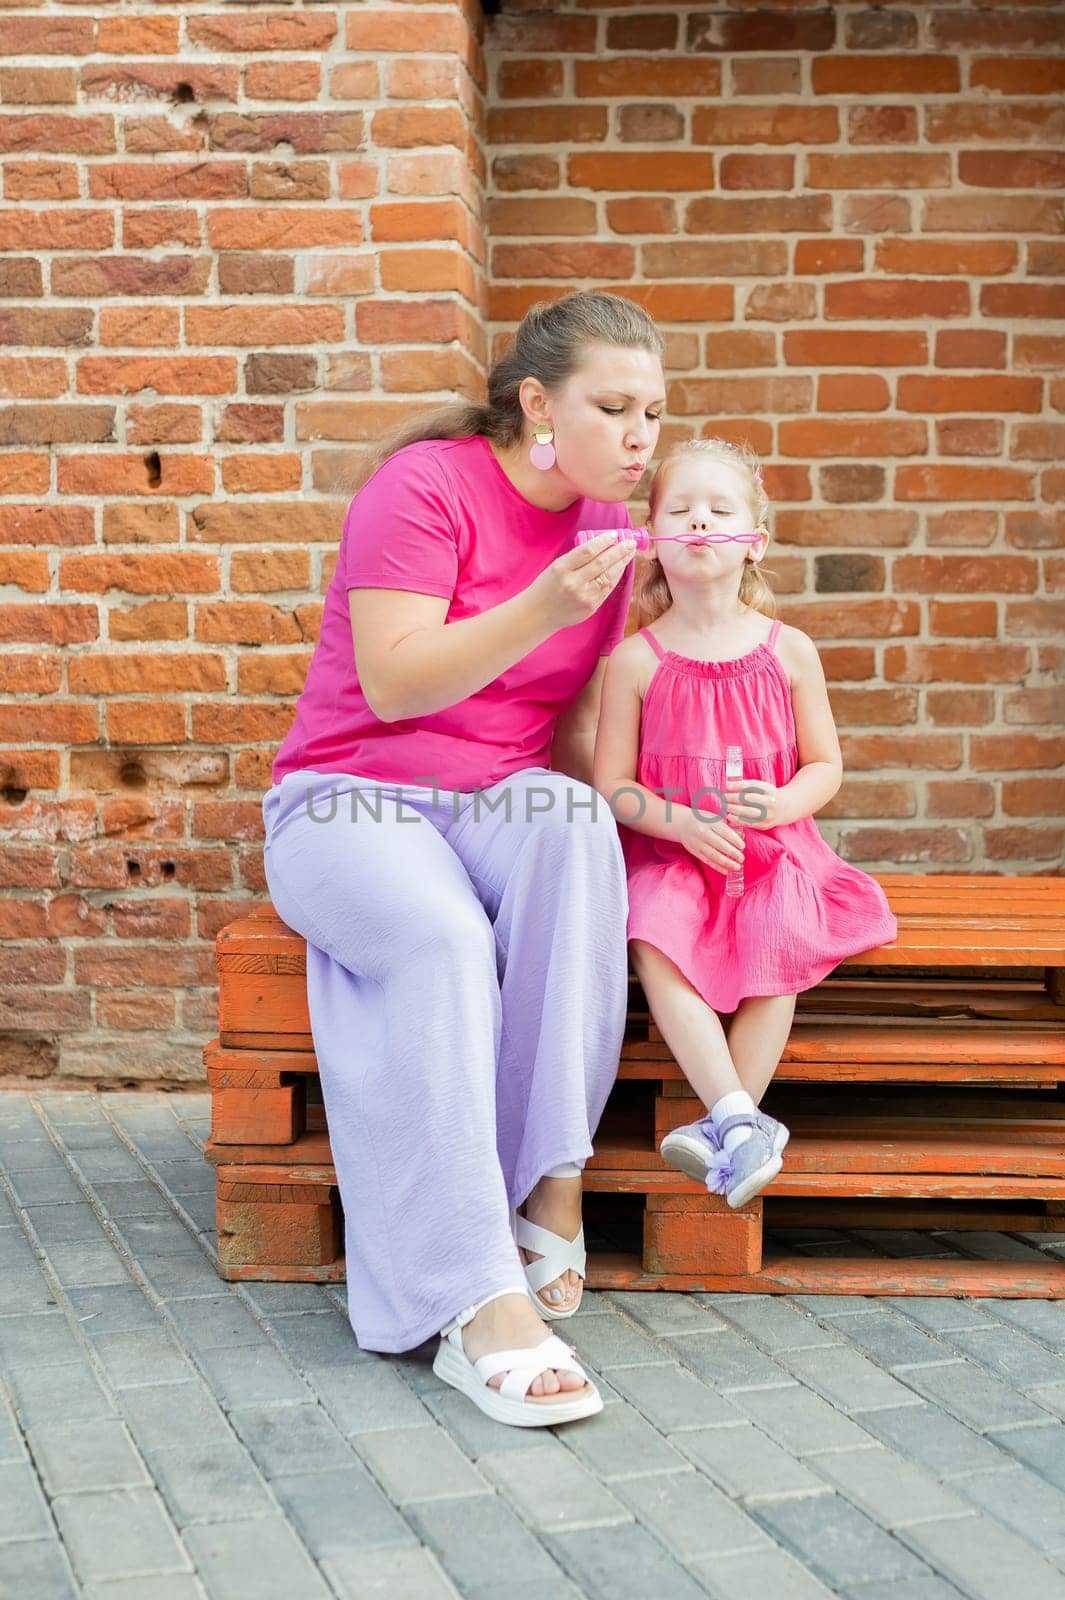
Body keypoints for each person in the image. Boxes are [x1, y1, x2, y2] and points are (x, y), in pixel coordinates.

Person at [260, 291, 666, 1427]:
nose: (640, 437)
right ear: (538, 404)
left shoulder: (605, 537)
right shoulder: (426, 487)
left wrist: (659, 813)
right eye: (614, 407)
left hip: (490, 799)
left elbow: (574, 733)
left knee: (578, 829)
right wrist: (541, 604)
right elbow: (395, 686)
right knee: (440, 936)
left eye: (655, 414)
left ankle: (550, 1182)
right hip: (347, 797)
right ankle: (471, 1292)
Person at [593, 437, 898, 1209]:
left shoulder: (788, 651)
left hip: (772, 853)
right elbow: (612, 786)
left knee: (778, 932)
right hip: (676, 855)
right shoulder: (634, 661)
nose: (699, 523)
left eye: (719, 510)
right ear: (652, 540)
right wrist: (681, 825)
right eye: (679, 510)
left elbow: (823, 766)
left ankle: (728, 1125)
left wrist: (786, 803)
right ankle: (739, 1120)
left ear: (752, 541)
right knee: (652, 932)